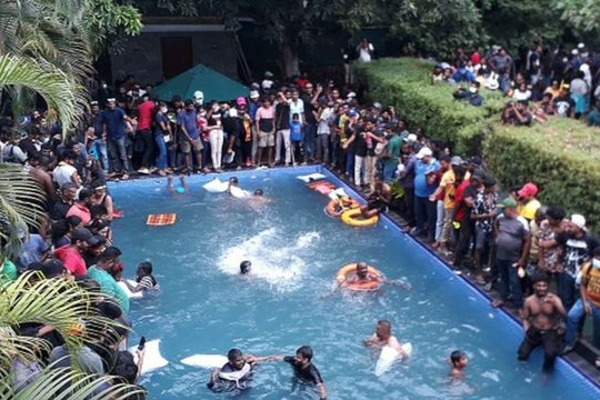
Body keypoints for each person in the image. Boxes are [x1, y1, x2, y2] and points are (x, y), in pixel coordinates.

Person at [518, 272, 566, 372]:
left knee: (550, 354)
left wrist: (555, 303)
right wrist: (527, 330)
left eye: (544, 286)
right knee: (522, 354)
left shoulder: (554, 299)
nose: (542, 288)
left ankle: (546, 373)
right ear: (534, 286)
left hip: (549, 331)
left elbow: (565, 314)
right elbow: (525, 318)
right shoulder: (529, 301)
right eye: (539, 286)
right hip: (534, 330)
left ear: (548, 286)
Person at [492, 198, 531, 308]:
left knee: (514, 280)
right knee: (503, 277)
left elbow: (527, 241)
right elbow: (495, 225)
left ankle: (518, 303)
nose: (502, 211)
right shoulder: (500, 217)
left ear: (510, 209)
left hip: (514, 257)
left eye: (503, 209)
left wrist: (522, 259)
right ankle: (503, 297)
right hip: (500, 254)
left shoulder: (522, 222)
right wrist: (498, 236)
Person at [565, 247, 600, 353]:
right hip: (588, 299)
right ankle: (569, 343)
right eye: (596, 258)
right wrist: (584, 303)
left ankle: (595, 350)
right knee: (572, 316)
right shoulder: (588, 267)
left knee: (598, 330)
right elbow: (583, 285)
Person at [87, 247, 130, 314]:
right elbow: (109, 306)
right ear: (109, 262)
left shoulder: (92, 268)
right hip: (118, 315)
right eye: (117, 262)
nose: (119, 265)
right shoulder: (105, 281)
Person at [101, 98, 134, 179]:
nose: (111, 105)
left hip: (120, 135)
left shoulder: (119, 110)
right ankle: (117, 170)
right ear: (107, 104)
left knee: (123, 154)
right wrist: (104, 133)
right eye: (110, 103)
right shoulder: (105, 112)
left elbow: (125, 117)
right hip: (110, 136)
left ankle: (126, 171)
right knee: (113, 155)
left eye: (113, 103)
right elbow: (104, 123)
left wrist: (130, 121)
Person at [178, 99, 203, 172]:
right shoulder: (181, 114)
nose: (192, 108)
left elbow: (196, 121)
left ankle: (199, 166)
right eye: (190, 106)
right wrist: (189, 138)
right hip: (185, 137)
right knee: (186, 152)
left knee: (198, 151)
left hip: (195, 135)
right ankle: (188, 167)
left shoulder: (194, 111)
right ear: (186, 106)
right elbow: (182, 127)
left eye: (192, 106)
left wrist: (199, 129)